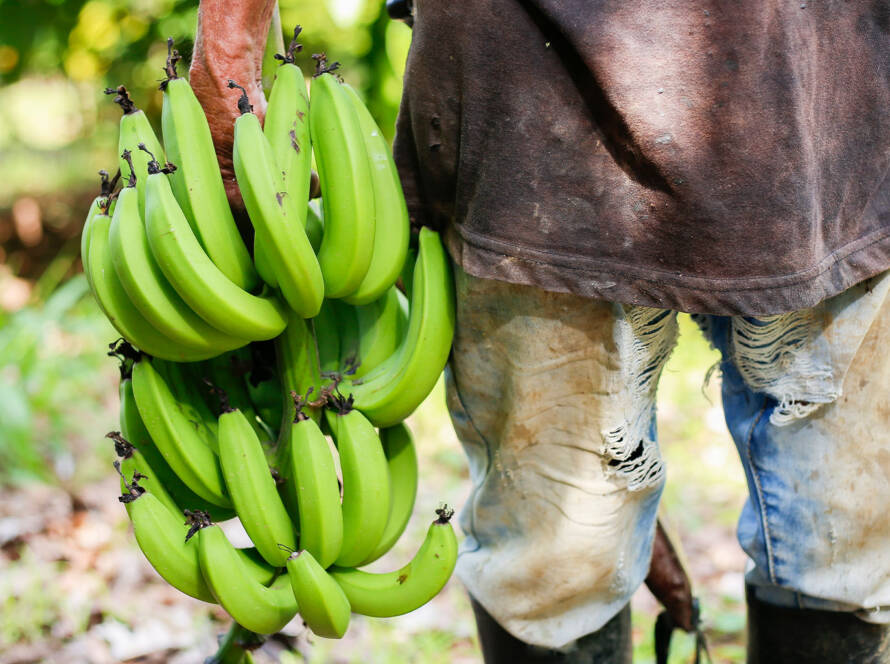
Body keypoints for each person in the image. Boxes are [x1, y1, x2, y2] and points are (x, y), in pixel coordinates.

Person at [193, 1, 890, 661]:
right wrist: (231, 42)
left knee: (847, 534)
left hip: (832, 85)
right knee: (555, 561)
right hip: (531, 98)